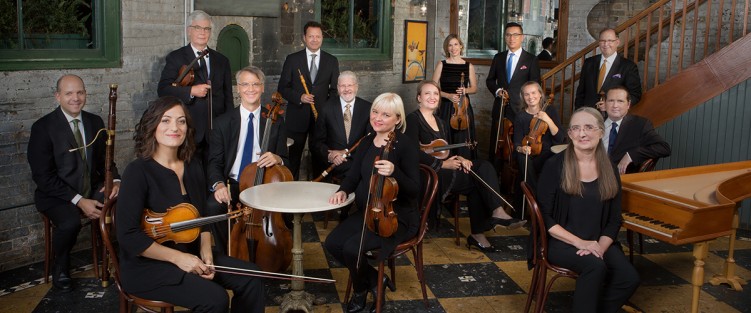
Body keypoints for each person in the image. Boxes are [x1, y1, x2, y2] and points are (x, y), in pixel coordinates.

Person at [116, 96, 265, 313]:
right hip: (148, 266)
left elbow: (203, 219)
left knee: (253, 277)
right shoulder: (137, 171)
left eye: (181, 121)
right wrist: (180, 259)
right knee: (215, 299)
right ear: (153, 125)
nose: (174, 127)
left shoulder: (192, 166)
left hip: (192, 253)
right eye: (166, 121)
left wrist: (207, 254)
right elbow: (128, 236)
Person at [537, 107, 640, 313]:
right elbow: (545, 218)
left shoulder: (609, 167)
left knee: (629, 278)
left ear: (601, 132)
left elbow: (613, 219)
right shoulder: (554, 165)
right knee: (595, 266)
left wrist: (599, 248)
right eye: (576, 128)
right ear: (570, 134)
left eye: (589, 127)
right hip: (561, 241)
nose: (582, 133)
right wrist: (579, 242)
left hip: (598, 240)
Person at [324, 93, 420, 313]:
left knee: (351, 248)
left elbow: (415, 189)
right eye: (375, 112)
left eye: (385, 115)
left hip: (397, 216)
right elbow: (354, 174)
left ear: (397, 119)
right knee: (332, 243)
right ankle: (377, 279)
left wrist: (396, 172)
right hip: (369, 210)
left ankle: (360, 292)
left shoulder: (405, 145)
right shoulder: (368, 140)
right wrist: (343, 190)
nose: (377, 118)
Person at [406, 80, 525, 252]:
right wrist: (442, 164)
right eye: (427, 93)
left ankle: (492, 216)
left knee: (483, 166)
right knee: (476, 182)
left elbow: (444, 150)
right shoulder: (412, 119)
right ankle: (487, 223)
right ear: (419, 97)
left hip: (444, 168)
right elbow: (412, 153)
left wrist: (460, 158)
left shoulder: (440, 122)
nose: (432, 97)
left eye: (435, 94)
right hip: (428, 172)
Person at [27, 74, 120, 292]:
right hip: (56, 195)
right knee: (70, 223)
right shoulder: (42, 128)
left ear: (85, 94)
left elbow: (106, 161)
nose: (75, 98)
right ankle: (60, 266)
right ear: (57, 96)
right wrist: (79, 201)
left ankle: (121, 257)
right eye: (69, 93)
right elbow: (43, 176)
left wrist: (115, 180)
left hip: (91, 188)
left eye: (80, 92)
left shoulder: (95, 121)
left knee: (123, 204)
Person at [206, 66, 289, 255]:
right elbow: (214, 162)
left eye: (255, 84)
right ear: (238, 88)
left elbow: (286, 160)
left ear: (262, 88)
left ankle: (266, 254)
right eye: (245, 84)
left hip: (262, 185)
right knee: (213, 205)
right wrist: (218, 185)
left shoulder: (275, 122)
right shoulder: (222, 122)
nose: (250, 89)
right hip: (232, 184)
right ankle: (226, 253)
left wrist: (278, 159)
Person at [157, 10, 234, 167]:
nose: (202, 32)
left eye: (207, 29)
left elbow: (228, 97)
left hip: (216, 128)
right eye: (198, 28)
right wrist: (191, 91)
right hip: (189, 128)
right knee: (190, 173)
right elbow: (163, 89)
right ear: (189, 30)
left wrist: (229, 125)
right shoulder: (176, 57)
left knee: (215, 170)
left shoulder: (222, 60)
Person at [278, 21, 340, 179]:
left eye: (318, 36)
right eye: (311, 36)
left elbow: (334, 91)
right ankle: (291, 191)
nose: (314, 39)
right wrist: (299, 97)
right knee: (293, 158)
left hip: (321, 118)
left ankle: (317, 191)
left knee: (320, 157)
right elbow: (283, 88)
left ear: (322, 38)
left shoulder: (331, 61)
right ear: (304, 38)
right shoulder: (292, 59)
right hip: (296, 117)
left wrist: (325, 109)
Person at [311, 71, 372, 221]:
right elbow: (316, 142)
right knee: (360, 174)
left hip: (359, 159)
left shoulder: (368, 108)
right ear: (337, 88)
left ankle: (348, 213)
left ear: (356, 87)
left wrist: (346, 152)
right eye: (342, 86)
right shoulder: (326, 108)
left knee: (357, 169)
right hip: (337, 163)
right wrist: (330, 155)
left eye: (350, 85)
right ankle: (358, 213)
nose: (346, 89)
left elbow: (370, 140)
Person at [486, 22, 541, 163]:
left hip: (521, 109)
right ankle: (494, 176)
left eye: (515, 35)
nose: (512, 38)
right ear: (505, 37)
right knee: (496, 147)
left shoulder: (531, 59)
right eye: (508, 35)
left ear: (522, 37)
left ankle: (515, 179)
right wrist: (498, 91)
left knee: (518, 146)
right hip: (500, 108)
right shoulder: (498, 58)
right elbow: (490, 80)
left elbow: (535, 85)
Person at [602, 86, 671, 174]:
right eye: (611, 101)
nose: (615, 105)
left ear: (628, 104)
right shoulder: (594, 123)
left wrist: (630, 155)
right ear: (604, 103)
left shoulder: (639, 125)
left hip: (620, 180)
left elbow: (664, 148)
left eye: (620, 101)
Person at [432, 34, 478, 159]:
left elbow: (474, 88)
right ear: (447, 48)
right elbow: (433, 88)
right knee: (446, 137)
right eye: (450, 45)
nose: (453, 48)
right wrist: (448, 95)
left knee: (463, 139)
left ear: (461, 46)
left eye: (456, 44)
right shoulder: (441, 64)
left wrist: (465, 90)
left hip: (463, 107)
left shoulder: (469, 66)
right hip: (446, 107)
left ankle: (463, 169)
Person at [513, 81, 564, 190]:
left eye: (533, 93)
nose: (530, 97)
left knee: (523, 173)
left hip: (546, 153)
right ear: (523, 97)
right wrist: (521, 149)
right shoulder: (520, 116)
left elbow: (560, 138)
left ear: (540, 94)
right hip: (528, 153)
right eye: (526, 94)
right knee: (522, 158)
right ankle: (536, 196)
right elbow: (516, 142)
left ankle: (530, 198)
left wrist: (548, 120)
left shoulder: (550, 110)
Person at [575, 28, 642, 110]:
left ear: (617, 42)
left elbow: (635, 95)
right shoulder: (588, 63)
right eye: (602, 41)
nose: (606, 44)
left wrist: (613, 105)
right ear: (599, 43)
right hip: (588, 115)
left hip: (613, 117)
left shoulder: (628, 66)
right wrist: (579, 112)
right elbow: (580, 93)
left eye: (610, 41)